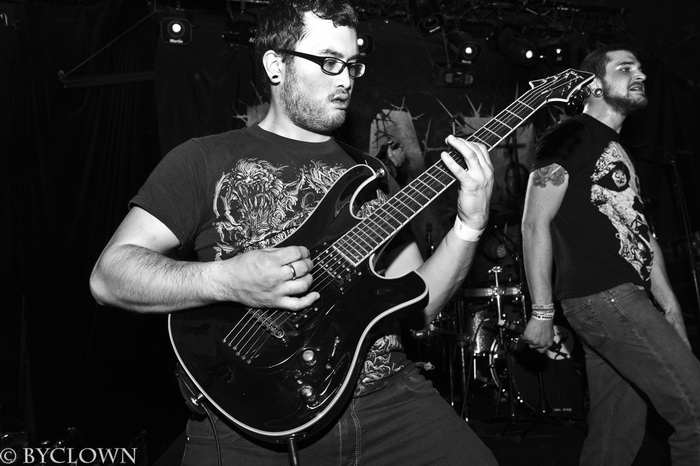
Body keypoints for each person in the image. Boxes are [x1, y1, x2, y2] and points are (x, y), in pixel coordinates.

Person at [90, 1, 498, 464]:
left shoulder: (371, 175)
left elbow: (421, 303)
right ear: (275, 65)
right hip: (256, 415)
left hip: (389, 399)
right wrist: (225, 279)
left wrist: (470, 225)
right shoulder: (202, 158)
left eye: (352, 65)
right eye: (329, 62)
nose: (346, 80)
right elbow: (110, 276)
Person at [520, 44, 700, 465]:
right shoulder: (571, 133)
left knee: (615, 434)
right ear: (594, 85)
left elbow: (641, 232)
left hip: (618, 299)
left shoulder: (616, 148)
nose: (641, 74)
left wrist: (671, 308)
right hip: (605, 296)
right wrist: (542, 312)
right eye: (625, 68)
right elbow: (533, 223)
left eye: (641, 67)